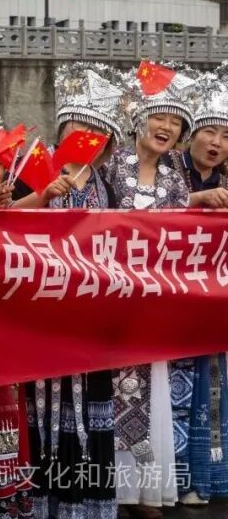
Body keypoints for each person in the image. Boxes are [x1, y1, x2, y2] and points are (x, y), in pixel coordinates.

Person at [20, 63, 123, 519]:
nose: (87, 137)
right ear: (62, 131)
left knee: (90, 415)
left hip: (89, 323)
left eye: (97, 132)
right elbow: (2, 227)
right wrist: (41, 198)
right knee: (40, 416)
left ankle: (87, 507)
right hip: (39, 316)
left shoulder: (108, 188)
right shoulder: (33, 172)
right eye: (78, 128)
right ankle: (41, 505)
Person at [101, 69, 194, 518]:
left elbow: (181, 237)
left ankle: (143, 491)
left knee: (149, 391)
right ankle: (110, 491)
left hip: (151, 300)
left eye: (176, 123)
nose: (167, 128)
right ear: (139, 120)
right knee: (107, 389)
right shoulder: (108, 166)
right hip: (107, 296)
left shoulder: (176, 180)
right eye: (160, 117)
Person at [166, 73, 228, 504]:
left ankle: (208, 479)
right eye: (209, 132)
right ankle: (175, 481)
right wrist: (193, 202)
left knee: (215, 390)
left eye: (226, 136)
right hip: (171, 299)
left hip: (216, 302)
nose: (217, 143)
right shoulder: (168, 172)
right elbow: (143, 215)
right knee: (174, 392)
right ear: (191, 136)